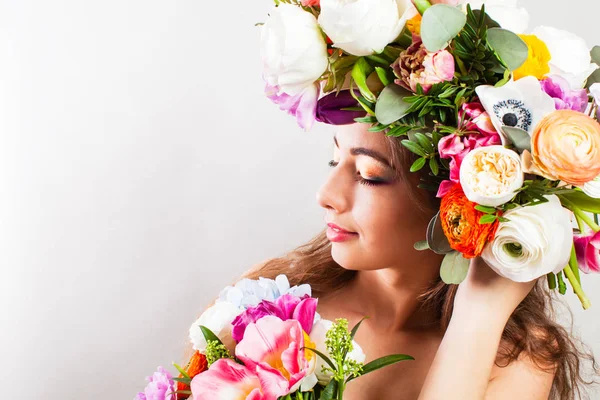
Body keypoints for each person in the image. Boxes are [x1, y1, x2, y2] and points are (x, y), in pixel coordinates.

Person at [229, 121, 599, 399]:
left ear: (454, 199)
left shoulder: (517, 357)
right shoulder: (265, 306)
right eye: (334, 159)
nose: (326, 195)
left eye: (368, 175)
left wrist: (479, 315)